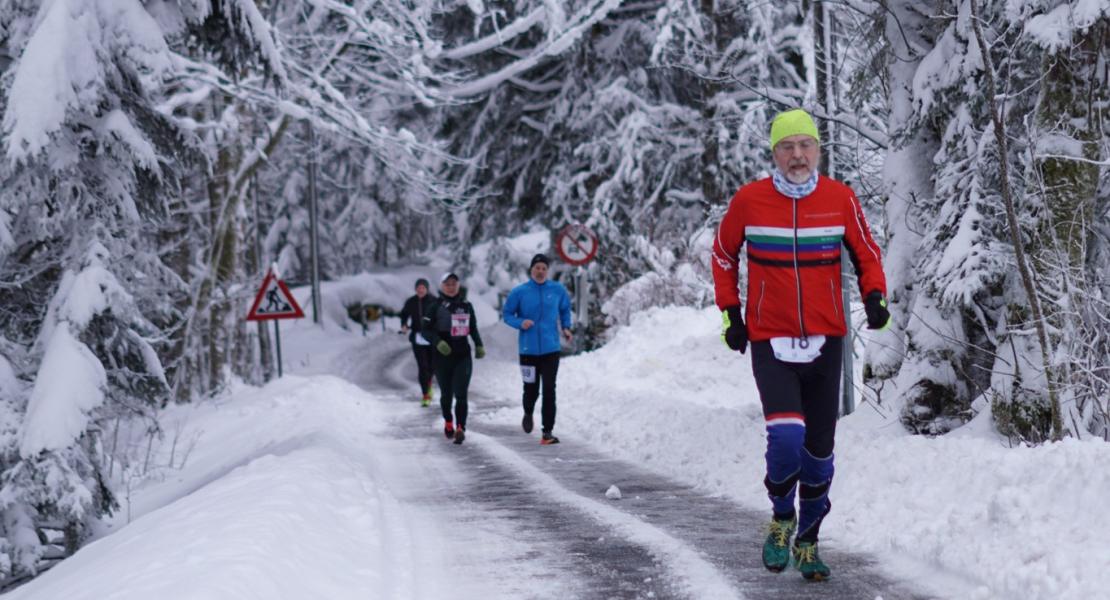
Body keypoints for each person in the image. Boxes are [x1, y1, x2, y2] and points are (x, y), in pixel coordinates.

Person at [711, 108, 891, 581]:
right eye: (787, 147)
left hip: (825, 338)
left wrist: (874, 295)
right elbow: (723, 254)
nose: (797, 155)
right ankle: (780, 516)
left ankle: (808, 542)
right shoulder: (750, 202)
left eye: (805, 146)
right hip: (769, 336)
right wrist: (731, 312)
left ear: (818, 150)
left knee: (819, 450)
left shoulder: (839, 198)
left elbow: (867, 252)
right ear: (774, 153)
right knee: (786, 435)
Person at [502, 253, 573, 445]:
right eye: (537, 268)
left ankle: (547, 432)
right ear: (531, 270)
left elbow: (565, 309)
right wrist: (520, 322)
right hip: (528, 350)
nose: (540, 271)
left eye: (543, 268)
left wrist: (566, 327)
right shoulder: (520, 292)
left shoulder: (557, 290)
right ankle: (528, 412)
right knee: (531, 389)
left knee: (549, 389)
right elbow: (507, 314)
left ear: (547, 271)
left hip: (551, 348)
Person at [421, 272, 485, 445]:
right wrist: (438, 341)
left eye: (454, 284)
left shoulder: (466, 305)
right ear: (442, 286)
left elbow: (473, 327)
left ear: (458, 285)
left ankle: (460, 428)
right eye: (447, 284)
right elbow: (424, 330)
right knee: (447, 395)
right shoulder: (434, 306)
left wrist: (478, 344)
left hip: (462, 354)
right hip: (442, 356)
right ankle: (448, 421)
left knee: (461, 394)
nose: (451, 287)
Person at [399, 278, 435, 406]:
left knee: (432, 366)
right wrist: (404, 325)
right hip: (417, 337)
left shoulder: (434, 301)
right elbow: (404, 314)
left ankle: (429, 384)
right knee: (422, 366)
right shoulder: (411, 302)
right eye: (418, 288)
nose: (420, 290)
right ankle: (425, 394)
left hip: (432, 338)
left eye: (423, 288)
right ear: (416, 289)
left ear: (427, 289)